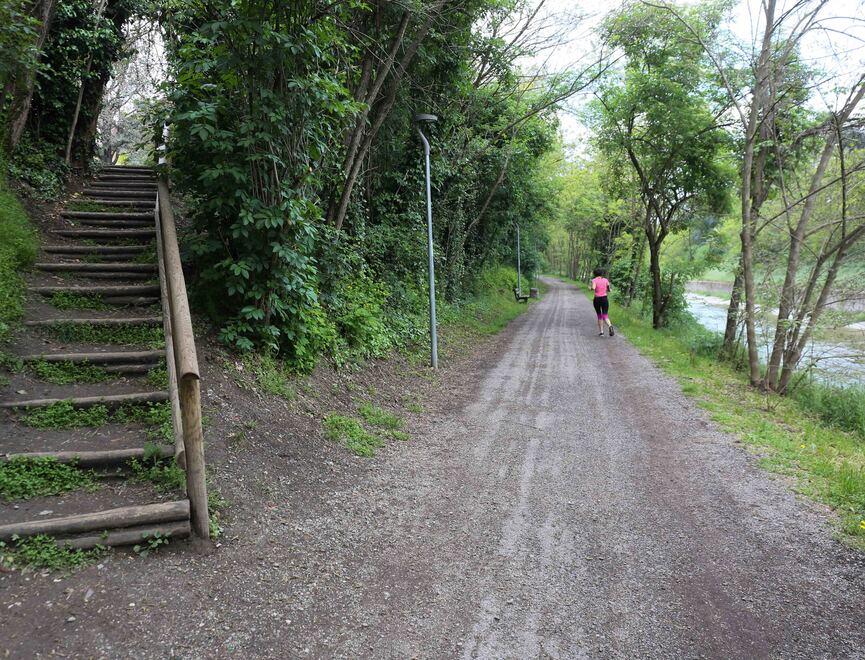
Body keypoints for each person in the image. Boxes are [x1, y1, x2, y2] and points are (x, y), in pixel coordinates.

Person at [590, 268, 614, 337]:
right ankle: (610, 326)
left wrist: (590, 288)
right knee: (605, 315)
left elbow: (594, 288)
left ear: (595, 274)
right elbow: (609, 289)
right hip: (604, 299)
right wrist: (609, 290)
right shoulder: (606, 280)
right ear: (601, 274)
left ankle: (601, 332)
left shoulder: (594, 280)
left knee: (599, 315)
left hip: (597, 299)